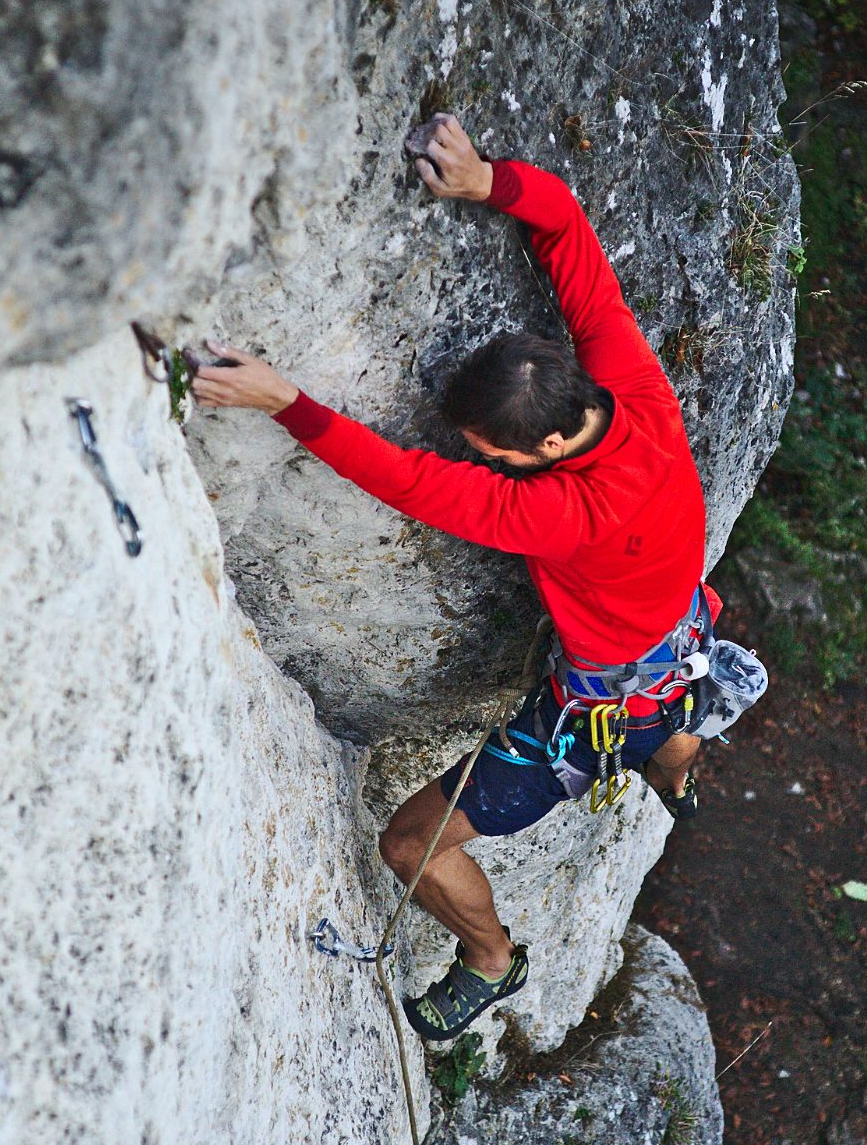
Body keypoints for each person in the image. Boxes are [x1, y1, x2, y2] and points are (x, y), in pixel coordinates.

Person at [192, 113, 717, 1041]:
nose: (478, 463)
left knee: (410, 845)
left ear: (550, 445)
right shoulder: (631, 386)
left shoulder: (561, 511)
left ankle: (492, 960)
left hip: (600, 703)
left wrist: (288, 401)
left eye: (489, 453)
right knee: (676, 713)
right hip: (681, 633)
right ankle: (676, 770)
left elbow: (406, 480)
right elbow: (570, 234)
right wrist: (487, 181)